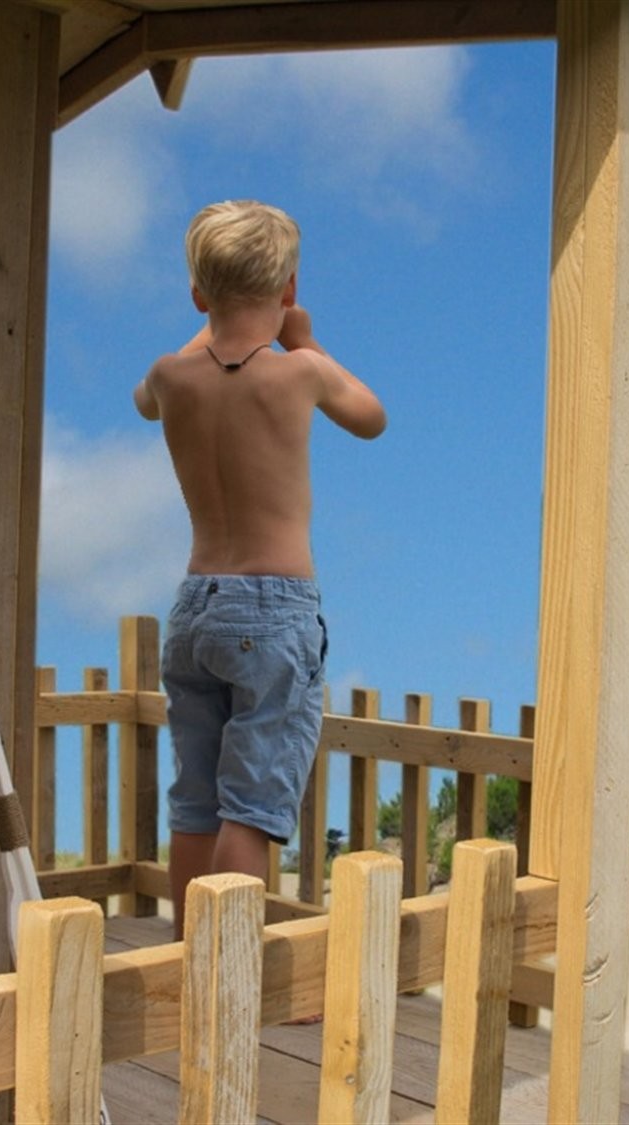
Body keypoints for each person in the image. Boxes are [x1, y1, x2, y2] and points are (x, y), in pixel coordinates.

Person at [134, 200, 386, 939]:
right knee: (250, 807)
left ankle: (189, 958)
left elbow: (147, 399)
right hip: (273, 610)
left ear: (197, 296)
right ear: (288, 289)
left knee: (197, 800)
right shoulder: (299, 373)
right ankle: (232, 971)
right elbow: (372, 417)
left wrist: (214, 320)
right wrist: (305, 337)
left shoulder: (170, 377)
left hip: (196, 605)